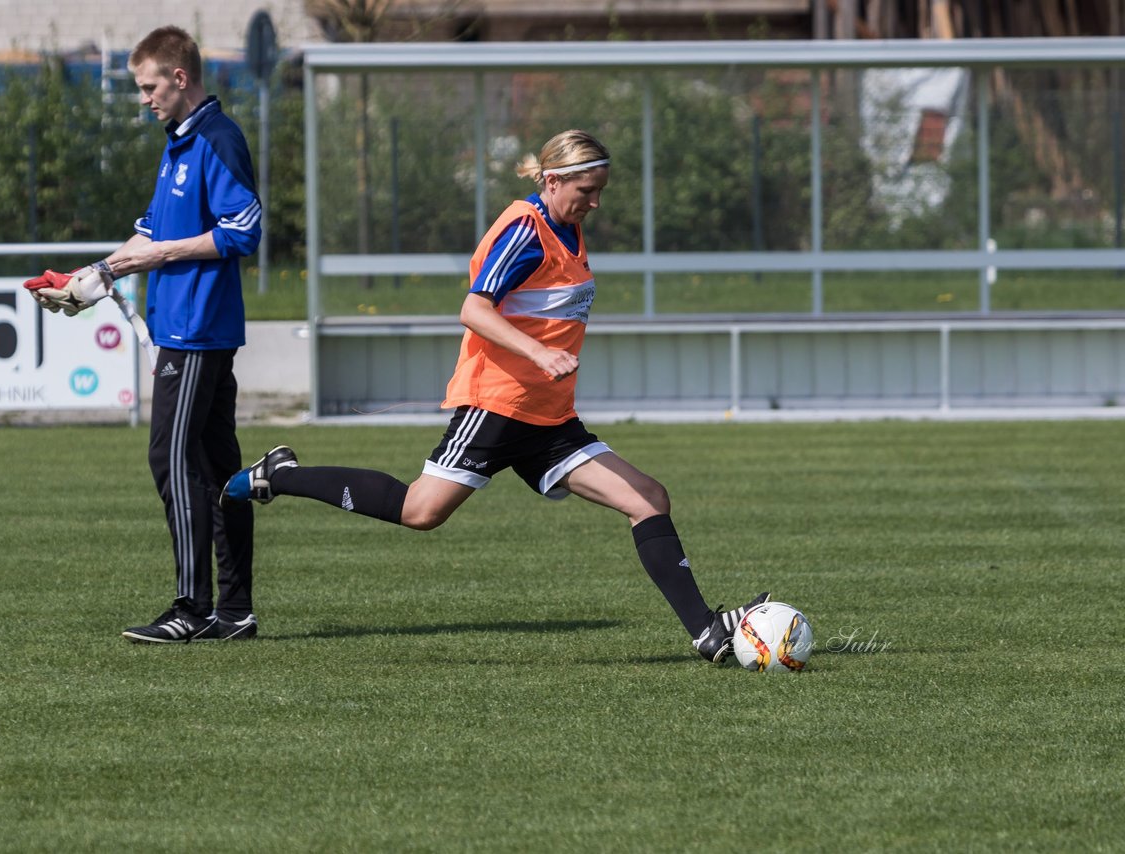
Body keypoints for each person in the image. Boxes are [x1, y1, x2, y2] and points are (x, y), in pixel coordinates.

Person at [222, 129, 766, 662]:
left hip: (549, 420)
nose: (596, 202)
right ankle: (282, 474)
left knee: (648, 497)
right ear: (553, 181)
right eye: (587, 191)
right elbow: (474, 309)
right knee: (420, 511)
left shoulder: (567, 227)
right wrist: (540, 354)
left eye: (601, 190)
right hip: (498, 407)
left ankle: (707, 633)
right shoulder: (526, 232)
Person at [86, 26, 262, 643]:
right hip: (186, 329)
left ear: (179, 79)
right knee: (217, 469)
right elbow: (148, 233)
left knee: (172, 457)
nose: (143, 98)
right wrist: (94, 276)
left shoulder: (216, 139)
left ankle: (191, 607)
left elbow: (243, 230)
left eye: (149, 86)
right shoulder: (178, 144)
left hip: (196, 331)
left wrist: (153, 257)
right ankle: (236, 612)